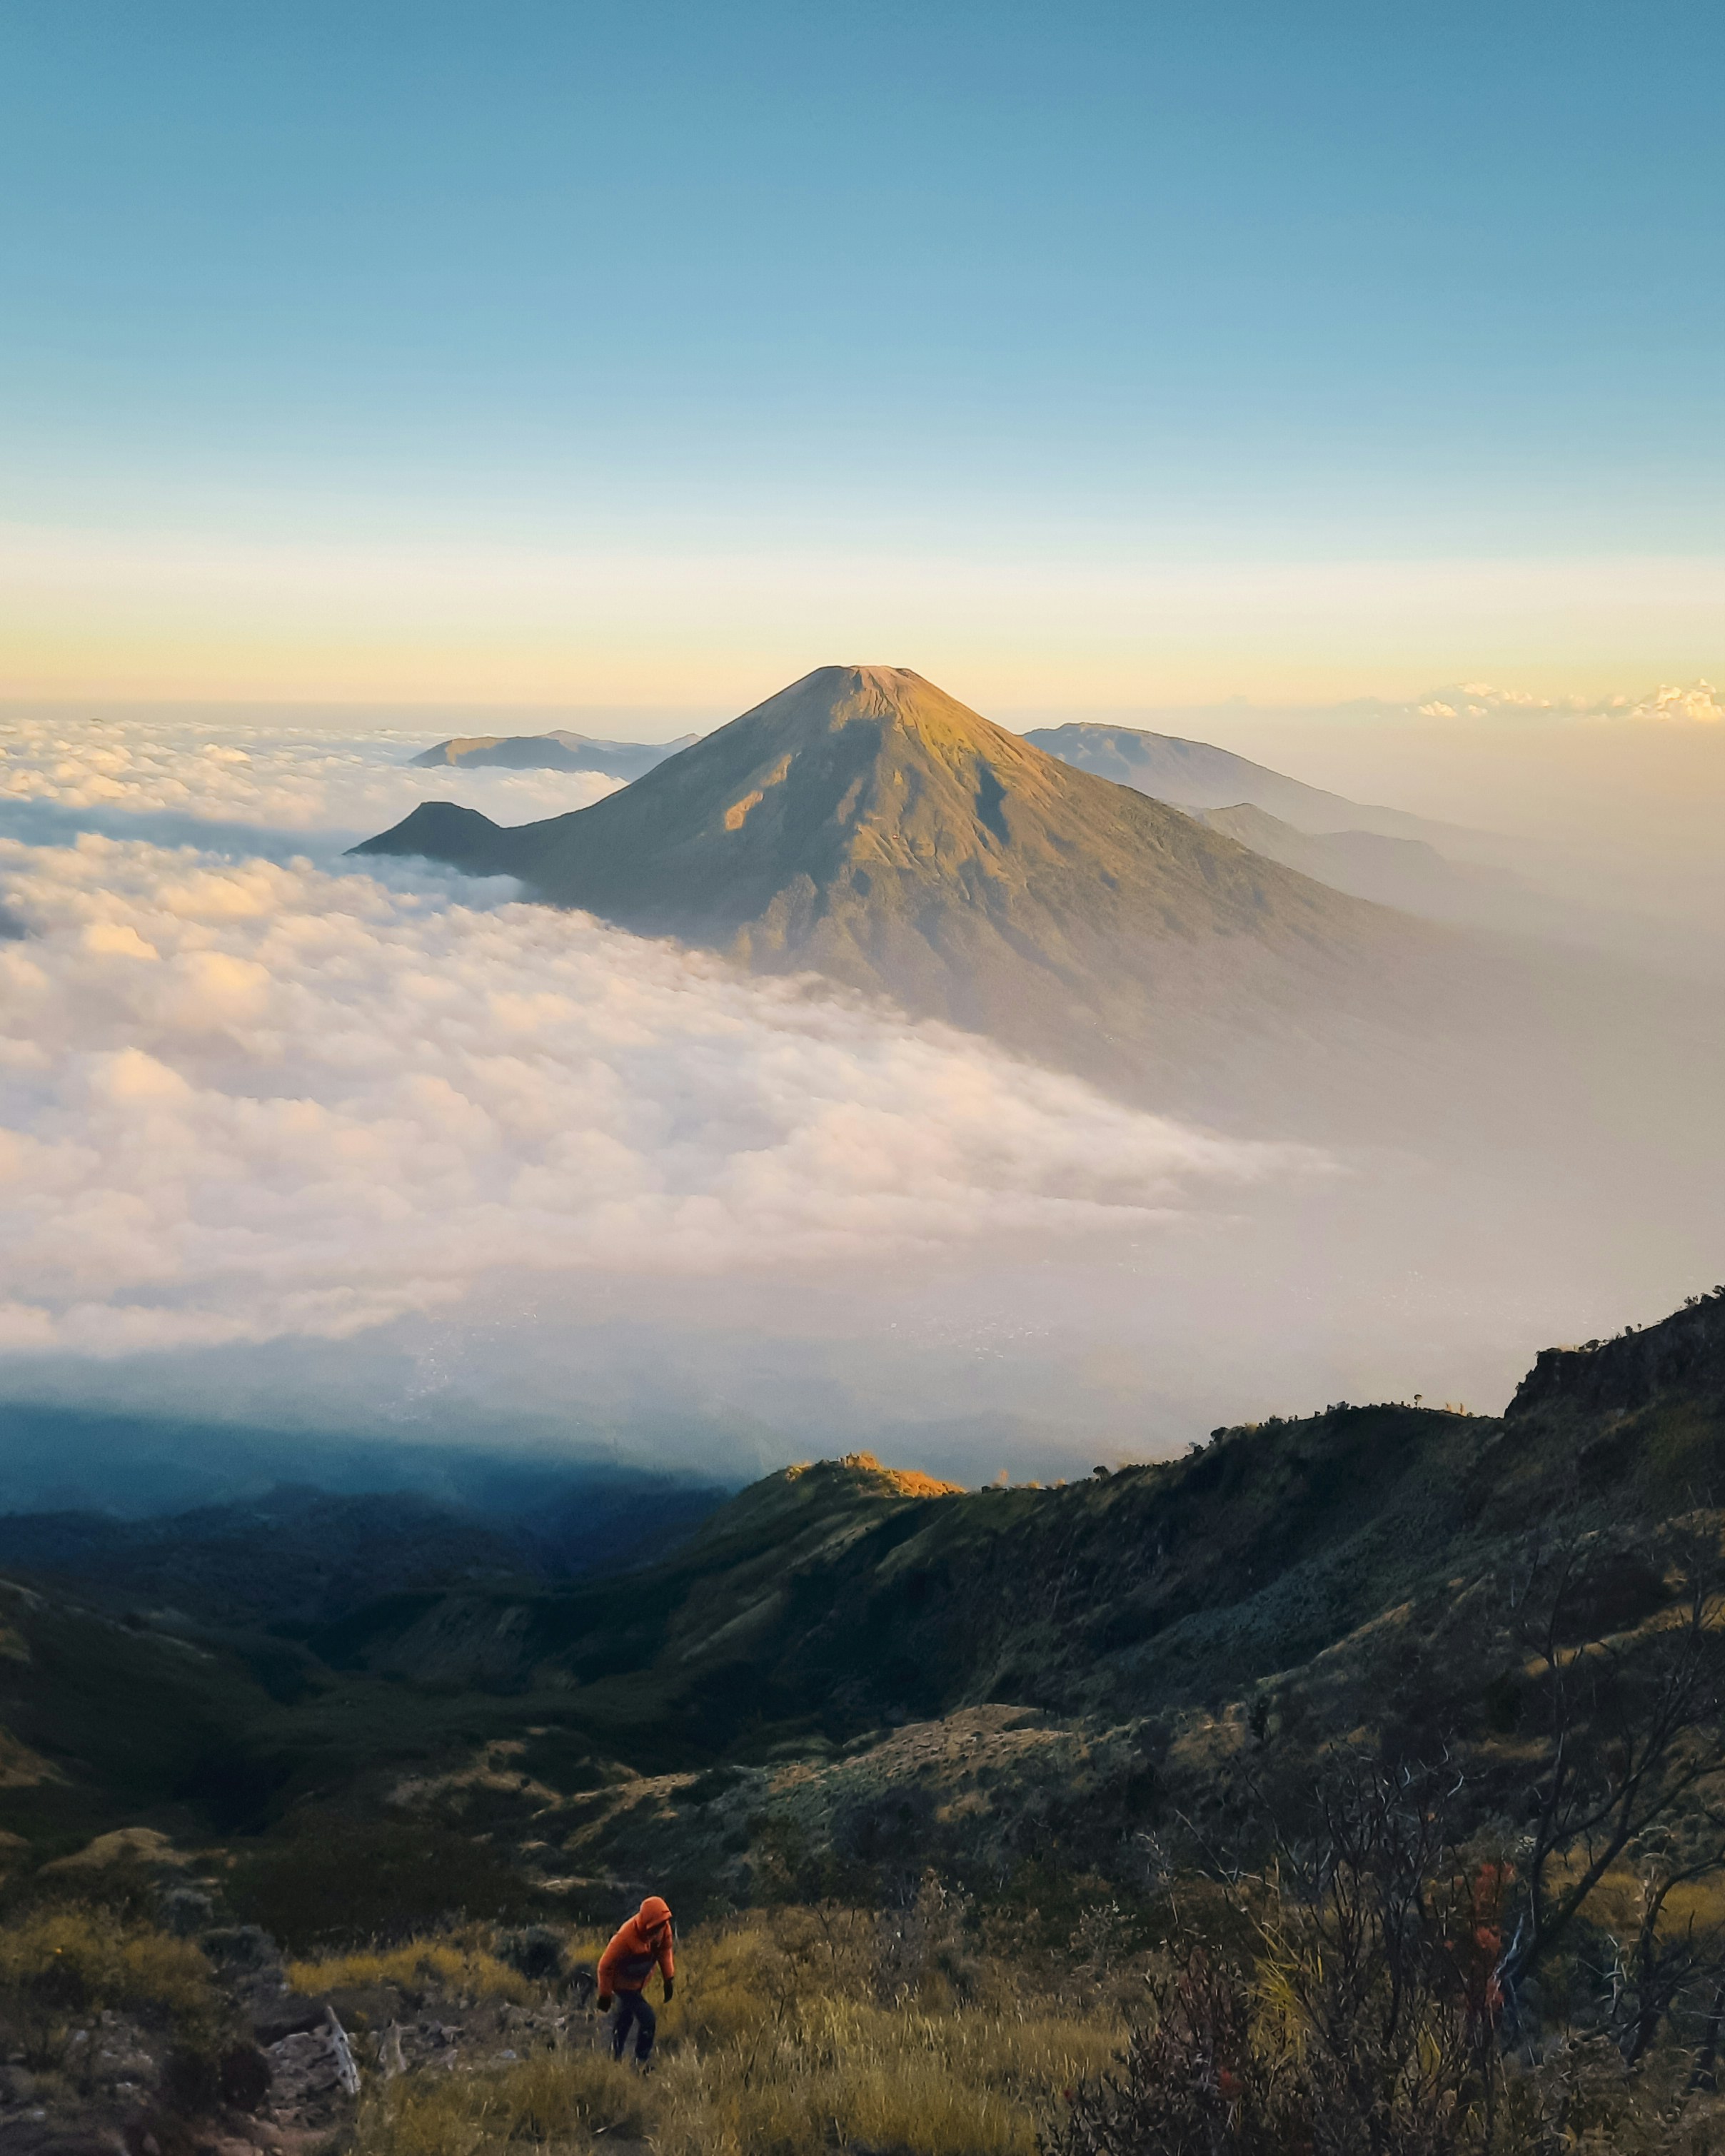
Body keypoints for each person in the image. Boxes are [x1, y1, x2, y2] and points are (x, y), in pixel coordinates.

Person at [596, 1894, 675, 2063]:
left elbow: (665, 1951)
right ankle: (641, 2061)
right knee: (648, 2019)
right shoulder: (625, 1937)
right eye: (655, 1929)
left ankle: (614, 2057)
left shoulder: (664, 1928)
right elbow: (605, 1965)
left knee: (625, 2017)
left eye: (661, 1927)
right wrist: (605, 1995)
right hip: (622, 1984)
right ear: (646, 1925)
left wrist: (668, 1979)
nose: (658, 1933)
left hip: (640, 1980)